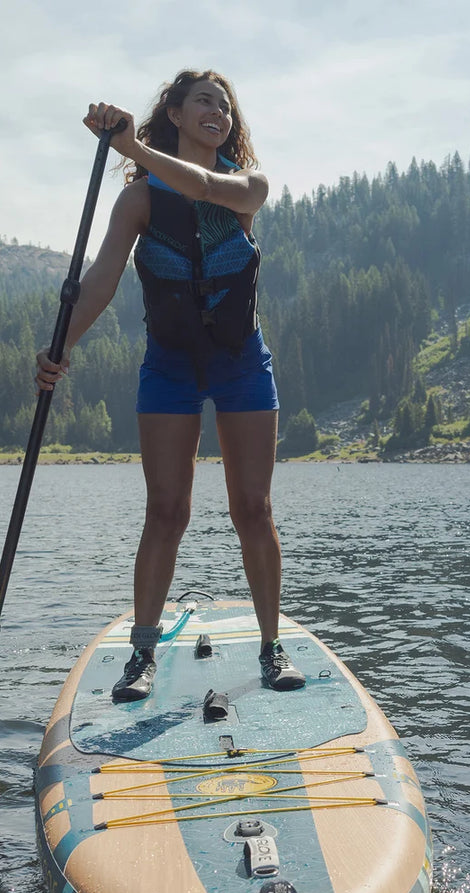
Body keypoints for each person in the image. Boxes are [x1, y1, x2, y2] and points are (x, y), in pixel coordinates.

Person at [35, 69, 304, 702]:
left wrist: (132, 148)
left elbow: (205, 184)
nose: (219, 112)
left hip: (241, 361)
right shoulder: (139, 201)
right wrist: (59, 349)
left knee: (253, 509)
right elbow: (99, 281)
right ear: (176, 115)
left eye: (225, 106)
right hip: (171, 364)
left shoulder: (248, 186)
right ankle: (143, 655)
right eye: (204, 102)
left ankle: (271, 647)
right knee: (166, 512)